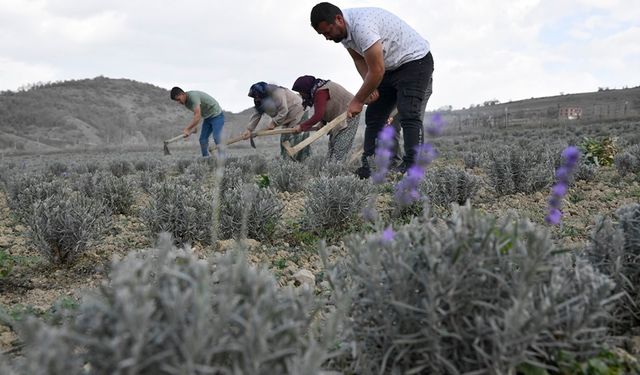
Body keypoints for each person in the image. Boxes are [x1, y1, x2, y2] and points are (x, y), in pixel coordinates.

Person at [310, 2, 434, 177]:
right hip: (389, 67)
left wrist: (358, 100)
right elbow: (360, 60)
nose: (327, 37)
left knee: (408, 113)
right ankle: (370, 164)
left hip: (415, 62)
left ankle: (412, 166)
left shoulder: (362, 27)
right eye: (323, 34)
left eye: (328, 32)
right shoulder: (344, 34)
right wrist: (369, 87)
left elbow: (377, 71)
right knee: (374, 115)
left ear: (338, 19)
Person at [291, 75, 360, 161]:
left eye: (301, 92)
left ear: (306, 89)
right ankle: (331, 168)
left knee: (340, 147)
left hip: (350, 113)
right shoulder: (318, 89)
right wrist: (322, 122)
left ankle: (336, 171)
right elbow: (325, 107)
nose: (301, 95)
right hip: (339, 117)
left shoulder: (321, 92)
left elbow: (318, 115)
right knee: (332, 146)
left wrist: (301, 127)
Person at [241, 82, 311, 162]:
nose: (256, 99)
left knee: (296, 140)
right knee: (284, 141)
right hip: (287, 118)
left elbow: (283, 110)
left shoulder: (278, 93)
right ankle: (287, 164)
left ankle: (300, 164)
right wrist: (249, 129)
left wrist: (274, 122)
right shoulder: (259, 100)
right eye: (254, 97)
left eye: (257, 96)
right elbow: (257, 113)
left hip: (300, 112)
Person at [170, 87, 224, 157]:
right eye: (176, 101)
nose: (178, 102)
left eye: (178, 99)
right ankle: (205, 159)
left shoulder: (193, 96)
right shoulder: (186, 103)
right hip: (207, 118)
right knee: (202, 140)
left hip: (217, 115)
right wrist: (194, 127)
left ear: (182, 94)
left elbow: (197, 116)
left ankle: (223, 159)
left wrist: (188, 129)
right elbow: (197, 113)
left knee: (217, 137)